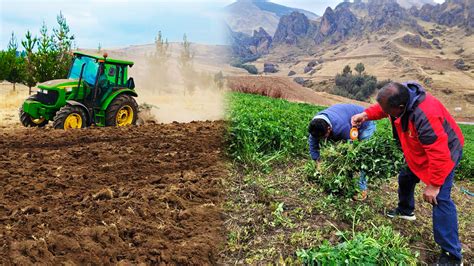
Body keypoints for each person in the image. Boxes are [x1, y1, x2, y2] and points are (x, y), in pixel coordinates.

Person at [351, 81, 464, 264]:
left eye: (389, 111)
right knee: (406, 177)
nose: (386, 114)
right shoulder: (399, 98)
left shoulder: (425, 114)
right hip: (417, 149)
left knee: (440, 198)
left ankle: (452, 254)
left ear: (401, 107)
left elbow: (439, 153)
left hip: (445, 153)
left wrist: (434, 184)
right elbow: (384, 108)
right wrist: (366, 115)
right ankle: (405, 210)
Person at [308, 104, 376, 201]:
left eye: (324, 136)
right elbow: (313, 143)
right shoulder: (316, 125)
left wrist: (346, 164)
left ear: (329, 128)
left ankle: (361, 189)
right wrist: (318, 162)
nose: (322, 139)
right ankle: (346, 182)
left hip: (365, 122)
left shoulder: (341, 127)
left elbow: (350, 150)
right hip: (347, 119)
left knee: (363, 156)